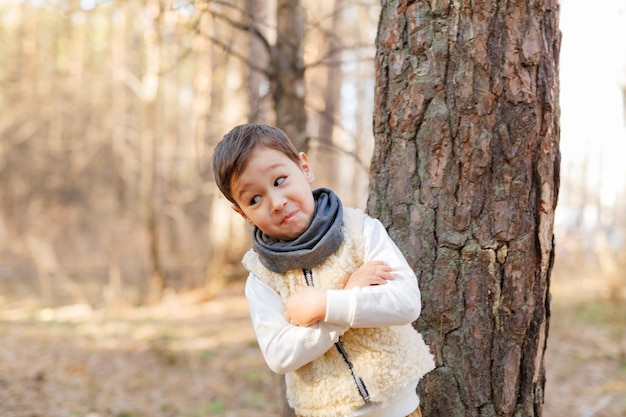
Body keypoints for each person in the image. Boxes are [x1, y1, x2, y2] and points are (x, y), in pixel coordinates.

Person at [212, 124, 434, 417]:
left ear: (304, 168)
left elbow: (405, 303)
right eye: (255, 199)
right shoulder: (262, 276)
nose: (277, 203)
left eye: (280, 180)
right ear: (243, 214)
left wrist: (325, 304)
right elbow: (279, 354)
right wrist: (346, 300)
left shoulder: (360, 231)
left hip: (399, 409)